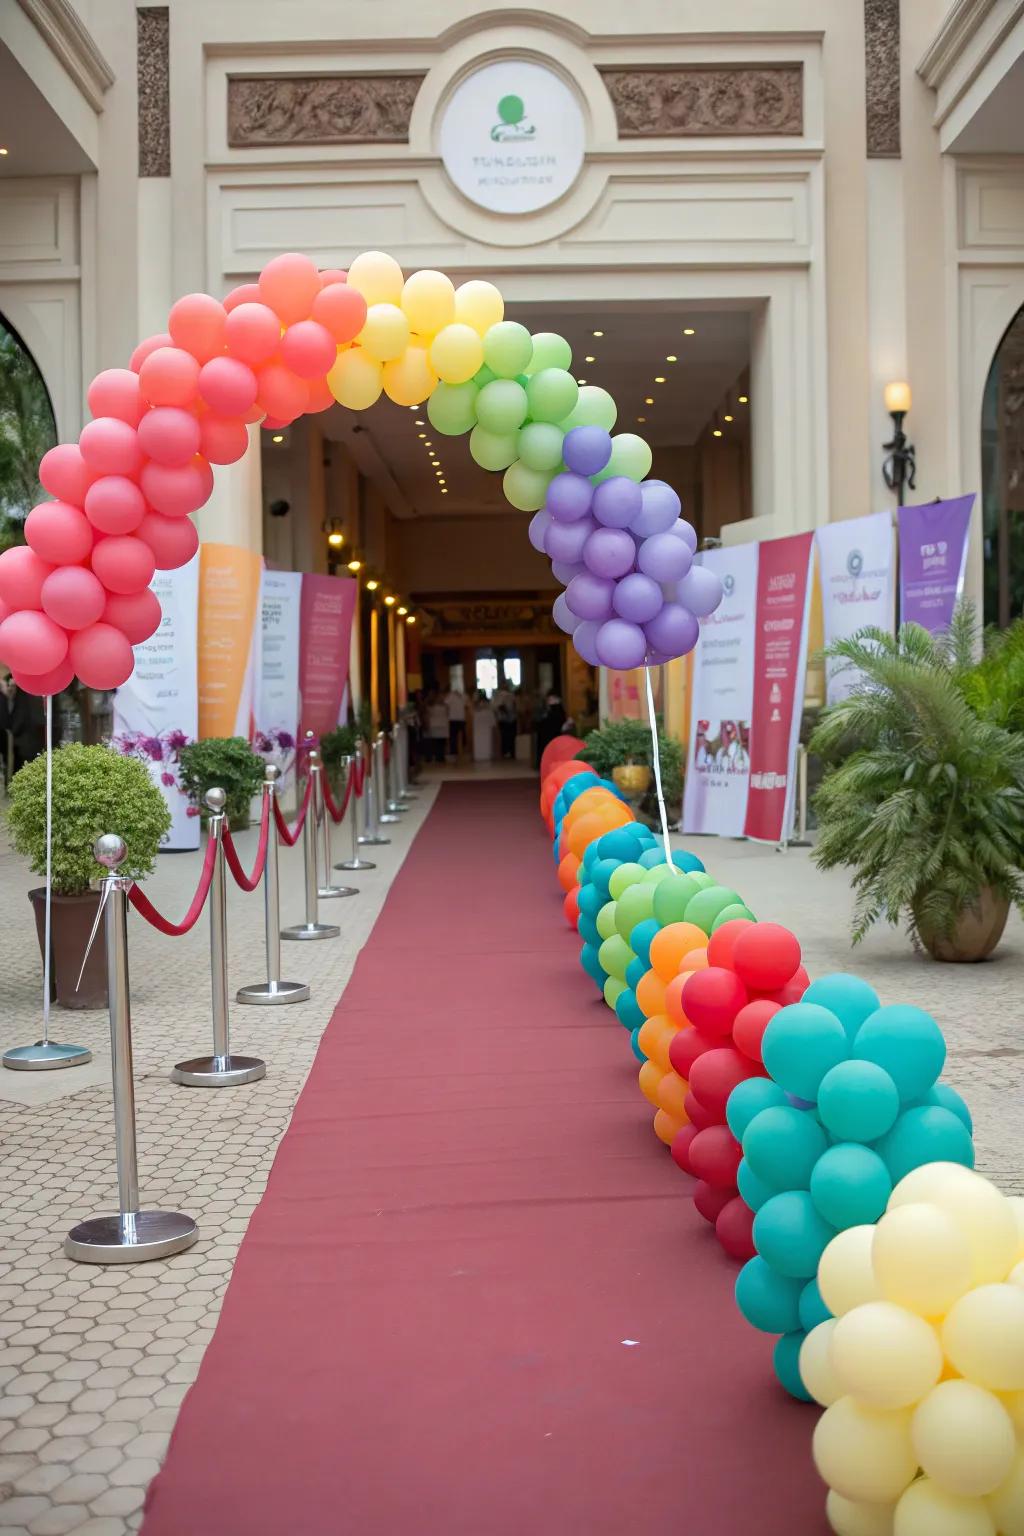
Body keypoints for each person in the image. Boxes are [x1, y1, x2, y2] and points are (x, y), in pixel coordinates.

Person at [492, 681, 517, 760]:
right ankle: (508, 752)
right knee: (508, 736)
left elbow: (499, 706)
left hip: (507, 719)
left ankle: (508, 752)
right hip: (506, 719)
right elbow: (500, 706)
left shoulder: (508, 695)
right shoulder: (503, 695)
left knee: (507, 736)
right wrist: (507, 713)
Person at [445, 682, 467, 760]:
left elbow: (466, 705)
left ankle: (463, 750)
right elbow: (446, 705)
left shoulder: (463, 695)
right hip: (453, 718)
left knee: (463, 736)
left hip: (461, 718)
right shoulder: (451, 695)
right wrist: (447, 715)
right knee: (453, 737)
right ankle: (453, 752)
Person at [425, 690, 449, 764]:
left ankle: (439, 757)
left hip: (440, 726)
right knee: (437, 743)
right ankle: (438, 757)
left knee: (440, 743)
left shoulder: (444, 706)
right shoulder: (432, 707)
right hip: (436, 726)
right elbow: (427, 716)